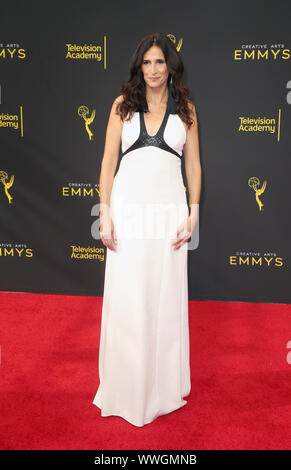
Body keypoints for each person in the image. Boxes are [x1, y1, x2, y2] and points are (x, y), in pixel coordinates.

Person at [92, 32, 202, 427]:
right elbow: (107, 162)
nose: (154, 70)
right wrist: (104, 212)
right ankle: (126, 387)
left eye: (160, 62)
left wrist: (193, 212)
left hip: (169, 217)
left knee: (165, 300)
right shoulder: (122, 106)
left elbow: (193, 166)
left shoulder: (185, 109)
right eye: (147, 63)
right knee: (129, 299)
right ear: (139, 67)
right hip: (129, 213)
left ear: (171, 66)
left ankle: (164, 388)